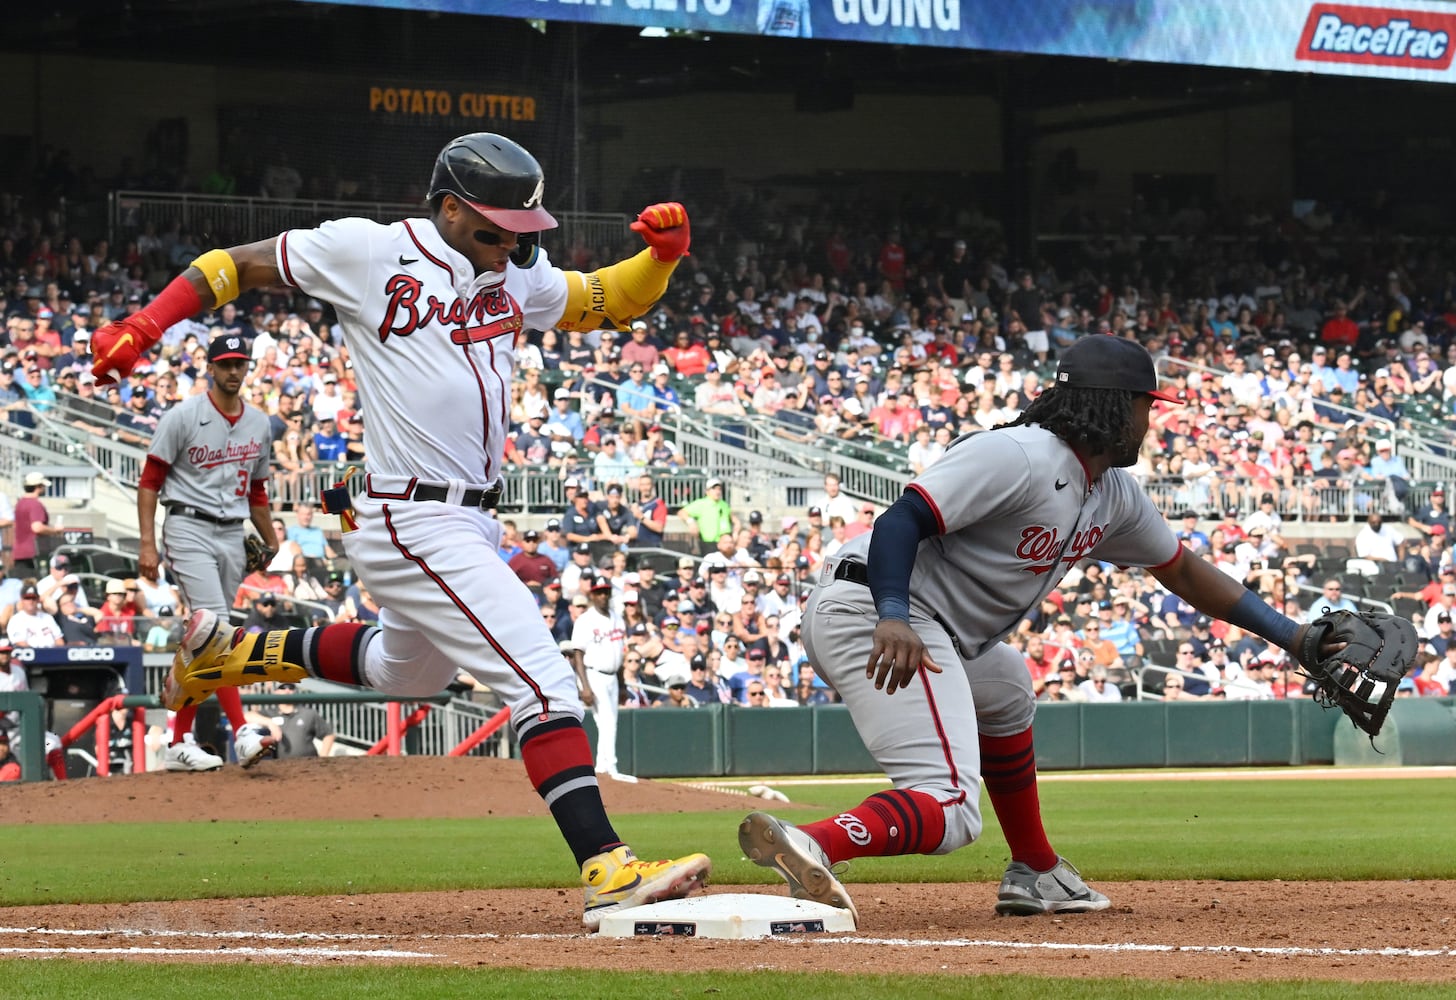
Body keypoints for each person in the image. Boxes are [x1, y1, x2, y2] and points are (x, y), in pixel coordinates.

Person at [136, 133, 707, 928]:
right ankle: (607, 867)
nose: (510, 243)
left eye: (521, 229)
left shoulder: (516, 269)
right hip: (413, 514)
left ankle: (230, 650)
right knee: (543, 683)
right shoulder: (368, 251)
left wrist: (662, 260)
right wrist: (147, 323)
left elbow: (599, 301)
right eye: (494, 228)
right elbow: (233, 264)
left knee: (404, 672)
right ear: (446, 206)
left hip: (469, 516)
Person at [738, 336, 1354, 923]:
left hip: (928, 625)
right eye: (1146, 405)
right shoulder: (1019, 455)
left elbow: (1185, 572)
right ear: (1116, 404)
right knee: (951, 808)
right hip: (878, 609)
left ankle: (1036, 868)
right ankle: (811, 841)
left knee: (1006, 683)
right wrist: (894, 614)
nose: (1150, 421)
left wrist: (1293, 637)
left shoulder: (1111, 492)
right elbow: (903, 519)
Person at [132, 333, 280, 772]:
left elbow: (257, 490)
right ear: (210, 368)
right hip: (186, 524)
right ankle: (242, 731)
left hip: (233, 531)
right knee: (216, 627)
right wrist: (146, 542)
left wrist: (270, 539)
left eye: (240, 363)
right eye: (226, 363)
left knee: (208, 639)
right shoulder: (183, 416)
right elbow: (149, 481)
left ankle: (178, 740)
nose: (233, 371)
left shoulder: (258, 424)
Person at [571, 575, 634, 783]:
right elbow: (577, 654)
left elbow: (620, 654)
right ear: (592, 595)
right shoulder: (586, 620)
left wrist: (623, 684)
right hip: (593, 673)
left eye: (605, 591)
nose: (603, 596)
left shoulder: (617, 617)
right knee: (607, 721)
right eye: (599, 592)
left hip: (613, 676)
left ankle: (601, 767)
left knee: (608, 721)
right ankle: (612, 767)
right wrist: (585, 686)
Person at [260, 682, 336, 759]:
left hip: (309, 764)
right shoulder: (268, 713)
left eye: (291, 688)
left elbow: (328, 734)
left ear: (295, 691)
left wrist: (323, 756)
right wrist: (270, 723)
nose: (287, 691)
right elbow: (249, 716)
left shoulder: (308, 713)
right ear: (276, 692)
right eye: (283, 688)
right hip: (279, 767)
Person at [12, 472, 66, 578]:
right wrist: (55, 530)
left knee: (25, 587)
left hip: (19, 552)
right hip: (34, 553)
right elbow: (37, 527)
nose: (44, 489)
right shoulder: (35, 504)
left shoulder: (20, 503)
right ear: (38, 487)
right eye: (43, 486)